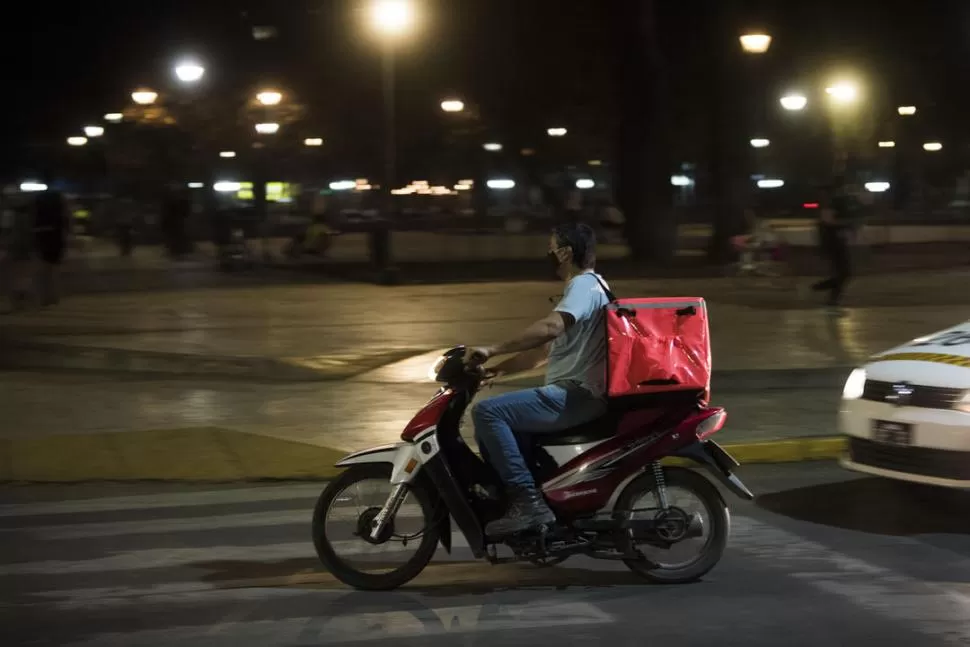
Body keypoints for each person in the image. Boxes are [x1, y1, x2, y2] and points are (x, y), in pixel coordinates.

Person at [469, 222, 610, 537]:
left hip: (578, 395)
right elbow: (545, 350)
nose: (547, 253)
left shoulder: (584, 286)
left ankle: (529, 503)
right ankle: (525, 496)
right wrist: (497, 369)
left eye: (551, 247)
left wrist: (492, 349)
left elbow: (549, 329)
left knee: (488, 412)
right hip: (575, 392)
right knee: (506, 419)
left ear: (564, 252)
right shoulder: (590, 287)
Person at [811, 177, 856, 315]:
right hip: (833, 244)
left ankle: (824, 295)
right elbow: (829, 223)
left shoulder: (831, 203)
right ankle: (827, 299)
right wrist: (848, 224)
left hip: (835, 243)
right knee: (844, 273)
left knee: (843, 273)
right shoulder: (828, 204)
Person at [32, 183, 70, 306]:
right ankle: (53, 296)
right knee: (54, 269)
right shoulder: (60, 212)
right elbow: (66, 223)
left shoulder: (39, 207)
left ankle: (46, 297)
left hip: (43, 236)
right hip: (55, 238)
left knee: (44, 269)